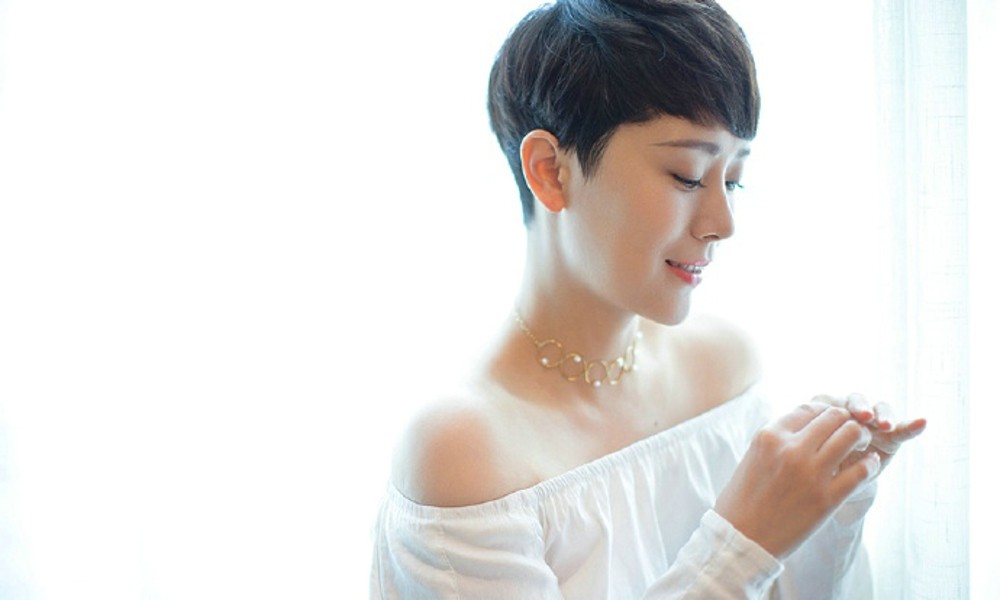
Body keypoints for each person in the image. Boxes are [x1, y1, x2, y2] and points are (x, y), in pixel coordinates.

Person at [369, 0, 926, 597]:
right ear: (550, 171)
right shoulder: (463, 451)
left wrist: (829, 498)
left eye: (733, 179)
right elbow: (746, 562)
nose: (723, 223)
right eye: (688, 175)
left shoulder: (722, 368)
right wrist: (744, 543)